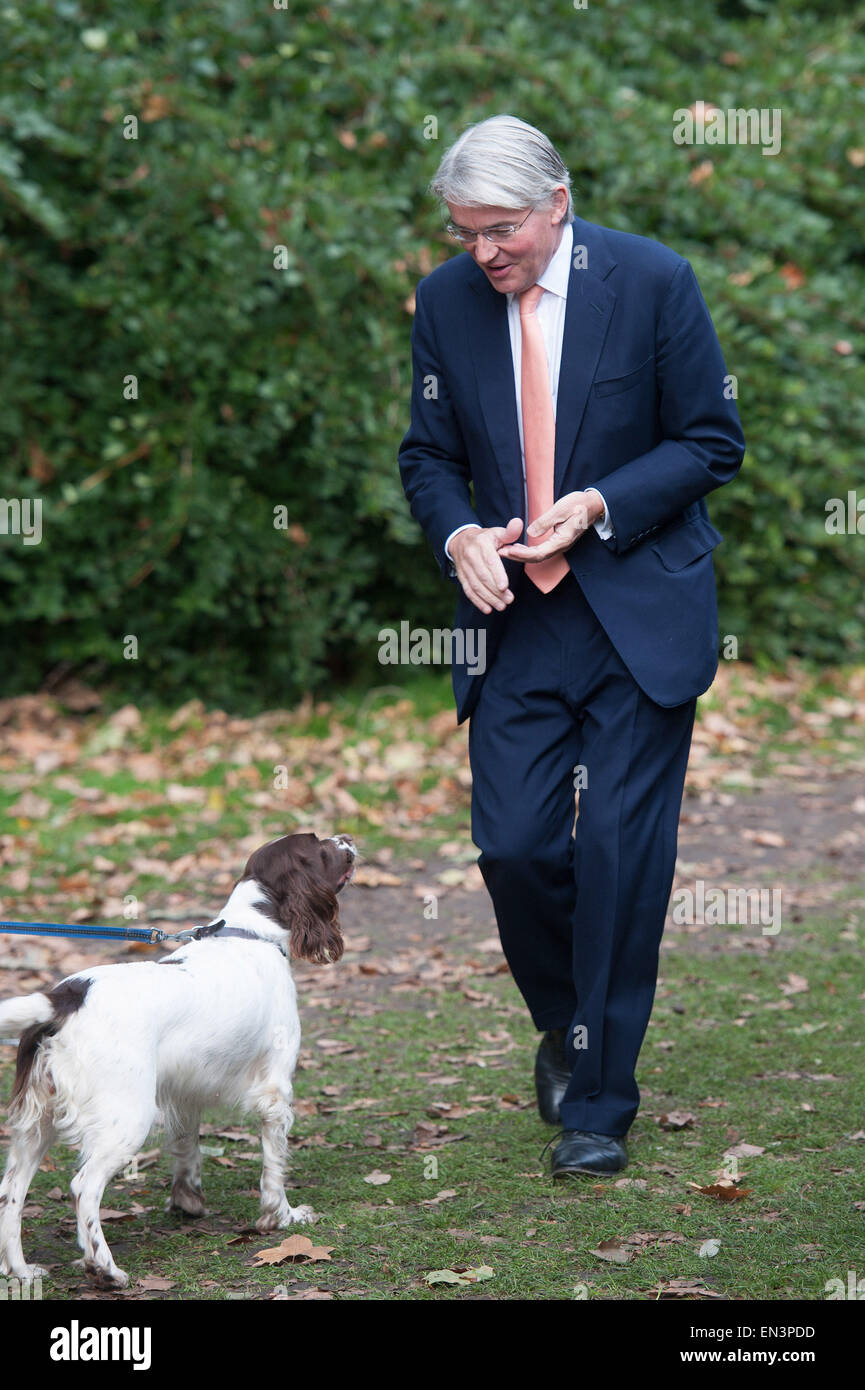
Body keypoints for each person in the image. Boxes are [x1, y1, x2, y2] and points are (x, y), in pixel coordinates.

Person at [398, 115, 744, 1177]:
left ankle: (598, 1103)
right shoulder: (446, 302)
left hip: (638, 615)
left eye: (499, 228)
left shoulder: (649, 281)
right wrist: (458, 532)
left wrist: (597, 500)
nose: (482, 251)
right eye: (464, 233)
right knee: (512, 848)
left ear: (557, 203)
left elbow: (709, 442)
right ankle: (566, 1020)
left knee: (620, 858)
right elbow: (427, 453)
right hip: (513, 623)